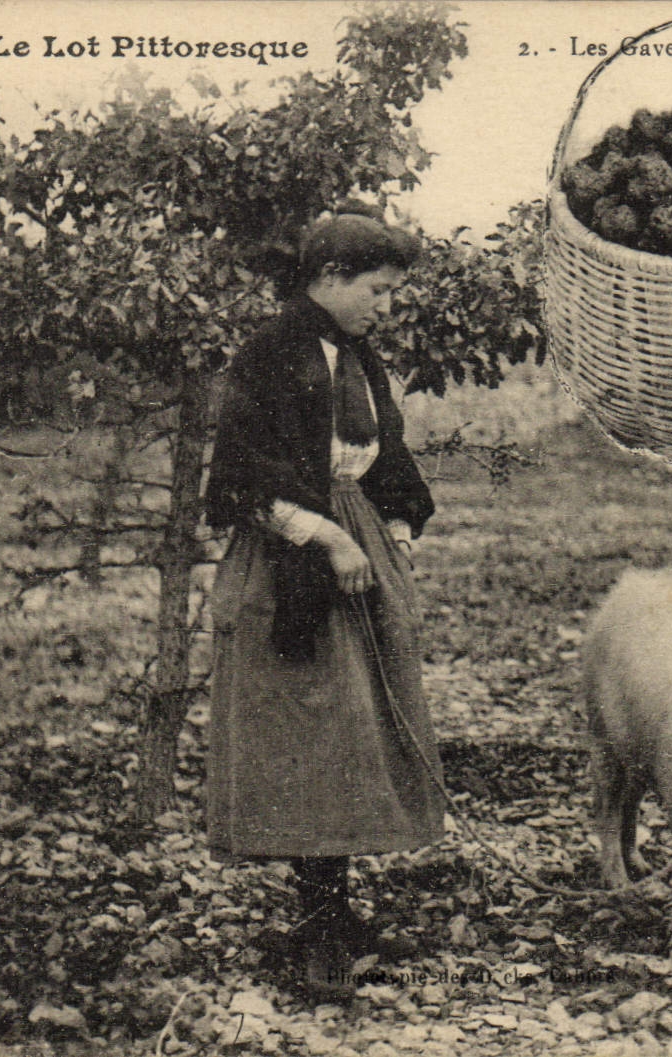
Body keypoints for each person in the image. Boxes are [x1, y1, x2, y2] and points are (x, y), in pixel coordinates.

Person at [203, 204, 440, 1002]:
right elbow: (238, 474)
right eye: (377, 289)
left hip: (357, 547)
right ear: (329, 278)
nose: (386, 305)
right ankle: (319, 928)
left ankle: (335, 911)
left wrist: (391, 538)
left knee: (358, 727)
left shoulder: (362, 360)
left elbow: (384, 459)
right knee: (314, 727)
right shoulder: (269, 353)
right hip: (290, 563)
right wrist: (326, 539)